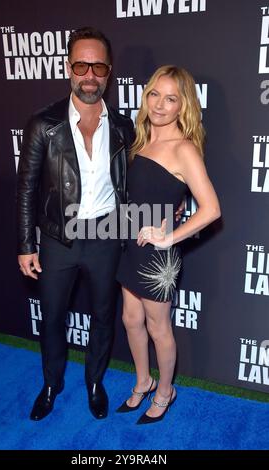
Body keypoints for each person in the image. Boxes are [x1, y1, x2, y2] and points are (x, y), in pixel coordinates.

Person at [17, 27, 134, 421]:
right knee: (52, 317)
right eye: (81, 65)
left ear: (108, 71)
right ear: (68, 68)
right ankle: (51, 384)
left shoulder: (123, 127)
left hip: (104, 236)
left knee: (104, 315)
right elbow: (26, 191)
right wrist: (24, 244)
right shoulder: (42, 125)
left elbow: (137, 182)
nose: (89, 75)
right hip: (56, 239)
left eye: (97, 66)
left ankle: (95, 383)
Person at [116, 65, 221, 424]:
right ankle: (143, 380)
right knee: (131, 319)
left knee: (158, 327)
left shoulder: (184, 149)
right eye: (154, 94)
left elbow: (211, 209)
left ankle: (165, 391)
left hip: (157, 255)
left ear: (183, 106)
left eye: (171, 98)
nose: (160, 104)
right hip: (130, 244)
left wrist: (169, 237)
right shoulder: (140, 138)